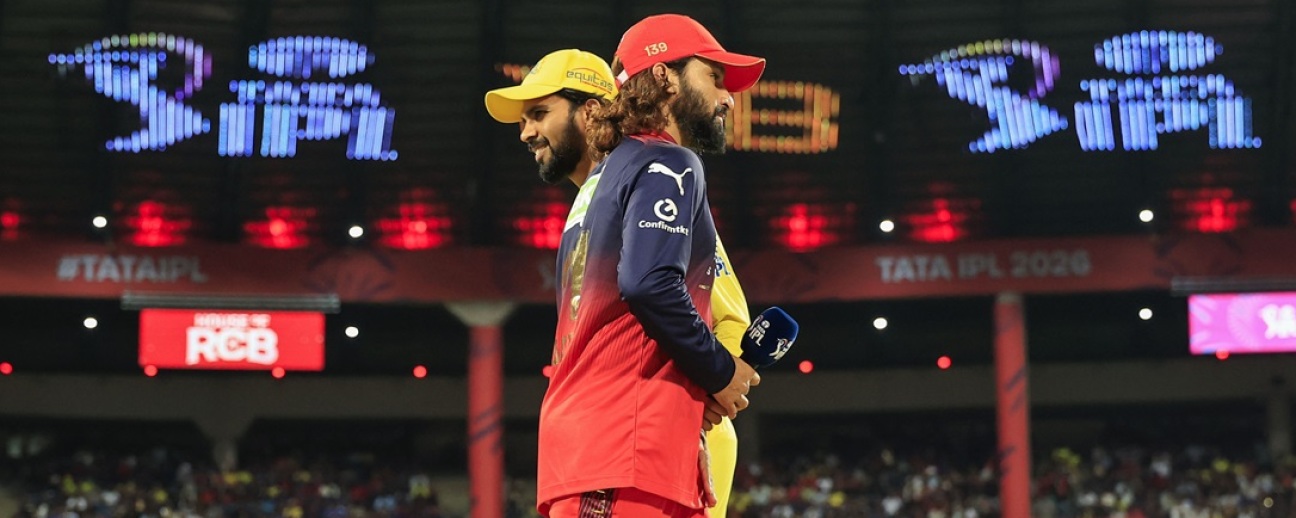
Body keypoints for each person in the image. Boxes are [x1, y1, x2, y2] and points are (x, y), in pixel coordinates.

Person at [484, 46, 754, 517]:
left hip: (649, 445)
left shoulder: (652, 182)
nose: (525, 132)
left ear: (591, 111)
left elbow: (728, 318)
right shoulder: (597, 199)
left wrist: (710, 393)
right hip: (617, 449)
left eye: (539, 113)